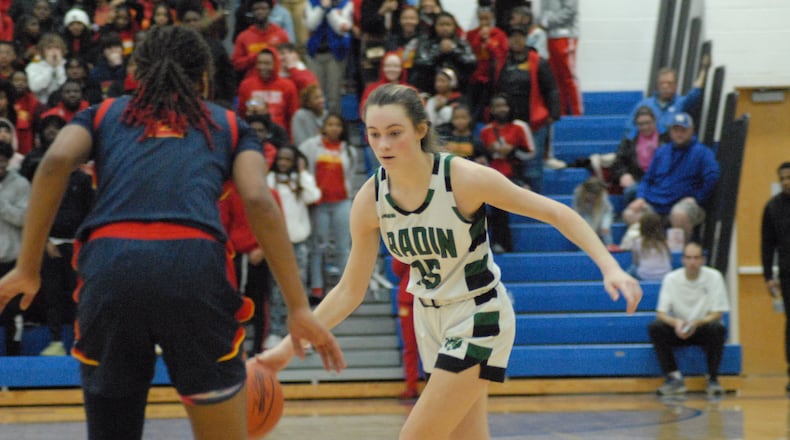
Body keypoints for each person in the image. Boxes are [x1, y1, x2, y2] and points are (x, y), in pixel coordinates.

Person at [0, 26, 344, 439]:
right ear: (203, 78)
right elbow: (258, 199)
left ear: (137, 74)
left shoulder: (106, 114)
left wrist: (27, 267)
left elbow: (54, 161)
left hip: (112, 266)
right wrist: (299, 307)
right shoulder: (229, 126)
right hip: (193, 265)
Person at [258, 83, 641, 439]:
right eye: (374, 134)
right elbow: (348, 292)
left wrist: (609, 266)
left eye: (395, 132)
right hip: (430, 321)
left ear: (421, 129)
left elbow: (555, 213)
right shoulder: (370, 198)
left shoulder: (462, 178)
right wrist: (281, 354)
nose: (383, 144)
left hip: (479, 316)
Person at [622, 112, 720, 242]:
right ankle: (651, 250)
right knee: (630, 214)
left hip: (683, 204)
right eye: (675, 130)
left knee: (679, 214)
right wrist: (640, 198)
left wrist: (698, 198)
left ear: (691, 130)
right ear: (670, 131)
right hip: (656, 202)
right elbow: (647, 179)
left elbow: (712, 177)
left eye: (683, 130)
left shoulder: (702, 152)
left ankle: (678, 255)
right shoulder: (662, 151)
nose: (679, 134)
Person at [648, 241, 729, 397]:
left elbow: (718, 312)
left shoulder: (714, 277)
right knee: (655, 327)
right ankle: (673, 378)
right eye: (689, 258)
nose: (692, 262)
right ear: (683, 259)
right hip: (679, 328)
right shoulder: (671, 278)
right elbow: (661, 313)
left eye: (696, 258)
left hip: (702, 326)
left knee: (718, 328)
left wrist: (698, 323)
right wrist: (676, 323)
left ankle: (712, 379)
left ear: (702, 260)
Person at [266, 145, 322, 347]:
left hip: (298, 243)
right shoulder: (269, 179)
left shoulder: (300, 180)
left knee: (299, 289)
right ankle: (274, 331)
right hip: (276, 243)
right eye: (281, 159)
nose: (283, 163)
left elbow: (314, 196)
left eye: (288, 160)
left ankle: (301, 333)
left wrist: (302, 173)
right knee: (276, 289)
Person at [298, 113, 356, 300]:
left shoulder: (349, 150)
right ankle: (316, 286)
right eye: (330, 124)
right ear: (323, 127)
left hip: (342, 201)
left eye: (337, 125)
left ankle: (344, 289)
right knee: (317, 247)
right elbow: (300, 162)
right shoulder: (311, 146)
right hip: (319, 203)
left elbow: (351, 174)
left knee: (343, 247)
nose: (334, 128)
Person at [624, 55, 711, 138]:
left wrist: (704, 70)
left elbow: (695, 93)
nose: (665, 86)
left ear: (676, 85)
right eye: (662, 83)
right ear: (657, 85)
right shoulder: (644, 105)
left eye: (669, 83)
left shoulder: (681, 103)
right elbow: (629, 128)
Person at [761, 161, 790, 392]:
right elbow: (767, 244)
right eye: (782, 179)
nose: (786, 182)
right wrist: (769, 275)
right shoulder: (773, 207)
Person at [0, 140, 30, 356]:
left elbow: (24, 218)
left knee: (12, 315)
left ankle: (13, 364)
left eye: (2, 162)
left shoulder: (20, 184)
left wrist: (2, 206)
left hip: (11, 261)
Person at [610, 106, 669, 203]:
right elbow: (618, 162)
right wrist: (623, 175)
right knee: (631, 192)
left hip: (662, 179)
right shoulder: (629, 139)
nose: (645, 127)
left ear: (655, 121)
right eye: (640, 124)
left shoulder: (666, 137)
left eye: (648, 123)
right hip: (638, 179)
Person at [540, 0, 582, 116]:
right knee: (556, 77)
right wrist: (542, 21)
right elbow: (543, 13)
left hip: (566, 35)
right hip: (550, 37)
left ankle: (577, 114)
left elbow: (570, 11)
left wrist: (548, 21)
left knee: (568, 76)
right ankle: (561, 112)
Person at [391, 258, 420, 400]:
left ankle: (436, 386)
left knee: (436, 346)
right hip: (408, 300)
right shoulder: (404, 239)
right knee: (410, 346)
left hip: (432, 298)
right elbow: (396, 269)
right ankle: (411, 386)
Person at [629, 212, 672, 281]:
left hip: (644, 276)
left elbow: (636, 262)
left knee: (632, 269)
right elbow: (669, 259)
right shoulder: (664, 242)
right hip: (665, 275)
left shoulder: (637, 242)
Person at [572, 176, 614, 246]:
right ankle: (585, 249)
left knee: (605, 229)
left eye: (595, 195)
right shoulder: (578, 192)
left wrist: (601, 228)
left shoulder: (603, 196)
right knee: (586, 231)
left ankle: (609, 246)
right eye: (591, 195)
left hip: (604, 213)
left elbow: (602, 214)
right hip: (587, 212)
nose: (592, 197)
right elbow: (576, 210)